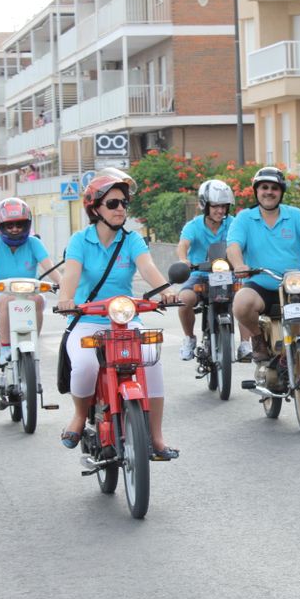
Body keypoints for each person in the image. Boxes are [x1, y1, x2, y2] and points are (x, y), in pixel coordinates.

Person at [56, 173, 180, 459]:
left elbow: (147, 267)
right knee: (86, 365)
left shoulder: (132, 239)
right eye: (112, 203)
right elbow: (71, 273)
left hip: (125, 319)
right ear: (95, 208)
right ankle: (78, 415)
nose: (120, 209)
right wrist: (66, 299)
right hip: (86, 319)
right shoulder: (80, 241)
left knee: (151, 359)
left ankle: (157, 437)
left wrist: (164, 291)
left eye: (124, 203)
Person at [227, 166, 300, 364]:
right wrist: (238, 265)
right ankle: (257, 338)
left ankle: (296, 338)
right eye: (264, 187)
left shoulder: (295, 215)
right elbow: (233, 246)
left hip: (294, 286)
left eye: (274, 188)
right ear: (256, 191)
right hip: (260, 287)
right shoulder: (245, 218)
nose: (269, 191)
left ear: (281, 192)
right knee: (241, 303)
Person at [0, 198, 61, 366]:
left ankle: (33, 343)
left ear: (27, 225)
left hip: (30, 292)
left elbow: (49, 268)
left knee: (36, 300)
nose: (14, 229)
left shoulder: (34, 242)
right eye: (9, 225)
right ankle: (5, 348)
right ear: (1, 226)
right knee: (7, 301)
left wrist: (63, 284)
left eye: (19, 225)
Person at [175, 179, 235, 361]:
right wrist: (184, 260)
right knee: (184, 300)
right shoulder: (193, 226)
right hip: (199, 275)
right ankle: (189, 338)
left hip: (228, 275)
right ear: (204, 205)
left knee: (244, 300)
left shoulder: (234, 223)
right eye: (216, 206)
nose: (221, 211)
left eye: (224, 206)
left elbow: (244, 242)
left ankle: (246, 344)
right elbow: (183, 244)